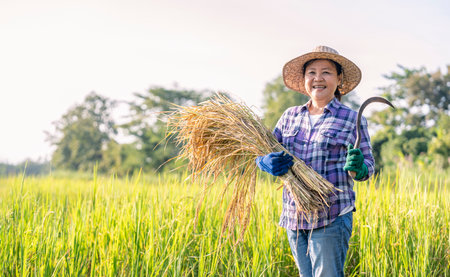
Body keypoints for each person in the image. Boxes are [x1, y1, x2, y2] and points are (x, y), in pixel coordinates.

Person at [256, 46, 375, 276]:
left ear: (339, 79)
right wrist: (263, 161)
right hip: (294, 216)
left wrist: (359, 167)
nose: (318, 78)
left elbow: (368, 166)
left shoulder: (351, 119)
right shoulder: (289, 116)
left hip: (331, 216)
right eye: (311, 72)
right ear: (304, 80)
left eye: (326, 72)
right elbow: (264, 150)